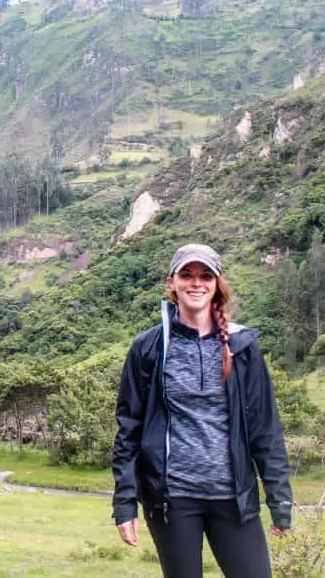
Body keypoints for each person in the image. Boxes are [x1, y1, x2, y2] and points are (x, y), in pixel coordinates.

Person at [112, 244, 293, 578]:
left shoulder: (242, 348)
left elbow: (265, 428)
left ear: (217, 284)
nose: (196, 283)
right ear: (172, 283)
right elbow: (129, 428)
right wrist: (125, 502)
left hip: (233, 498)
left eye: (205, 276)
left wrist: (279, 499)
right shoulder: (148, 349)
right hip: (173, 500)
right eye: (187, 275)